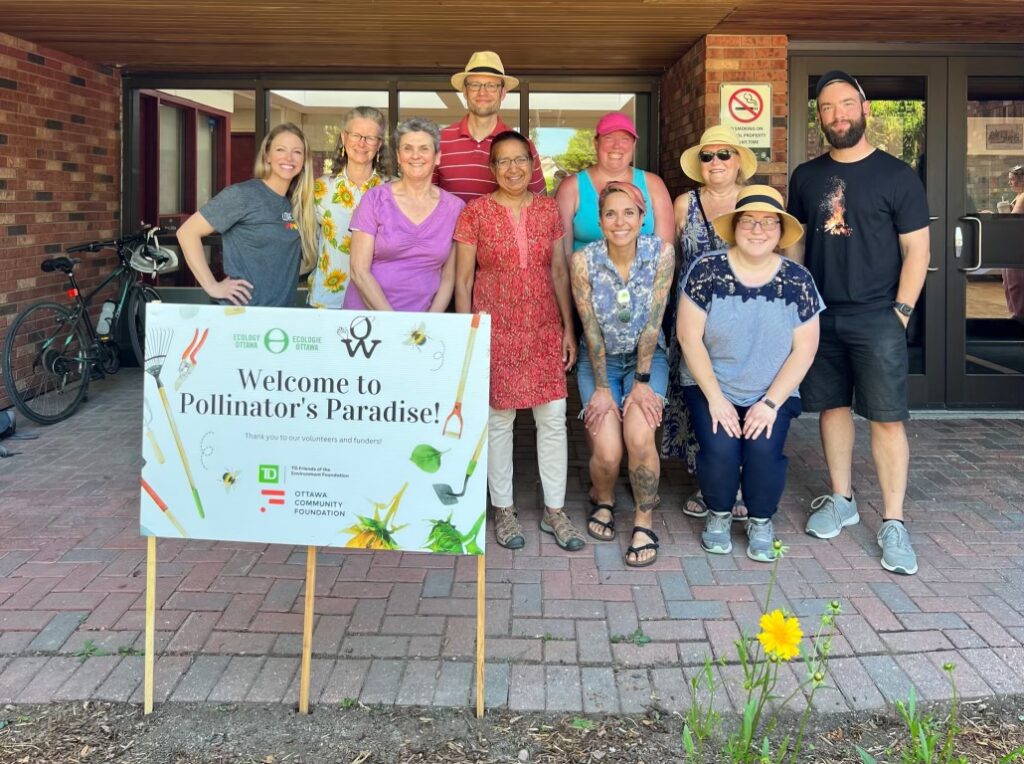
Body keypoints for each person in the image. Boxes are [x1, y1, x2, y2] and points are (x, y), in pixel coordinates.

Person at [787, 70, 931, 575]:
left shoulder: (897, 176)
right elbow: (798, 246)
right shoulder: (805, 177)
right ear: (820, 116)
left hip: (878, 318)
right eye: (827, 108)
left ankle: (893, 520)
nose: (837, 115)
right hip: (822, 317)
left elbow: (917, 250)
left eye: (846, 104)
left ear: (864, 107)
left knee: (887, 418)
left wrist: (900, 314)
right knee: (830, 409)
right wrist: (798, 307)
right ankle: (842, 498)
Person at [678, 186, 822, 562]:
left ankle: (760, 519)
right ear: (735, 226)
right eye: (749, 221)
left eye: (768, 222)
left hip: (772, 391)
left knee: (763, 450)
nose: (758, 230)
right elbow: (688, 337)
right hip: (711, 384)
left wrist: (770, 403)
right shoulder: (706, 269)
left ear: (779, 231)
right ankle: (719, 514)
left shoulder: (797, 280)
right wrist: (716, 399)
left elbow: (805, 348)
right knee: (721, 448)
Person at [454, 130, 580, 551]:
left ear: (533, 163)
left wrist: (568, 327)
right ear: (492, 169)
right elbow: (464, 278)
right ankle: (503, 509)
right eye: (503, 161)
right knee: (499, 422)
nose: (513, 168)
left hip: (543, 326)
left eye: (521, 159)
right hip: (496, 327)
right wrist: (466, 335)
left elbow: (560, 271)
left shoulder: (548, 211)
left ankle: (555, 510)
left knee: (552, 419)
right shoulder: (475, 212)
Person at [570, 182, 674, 567]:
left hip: (647, 359)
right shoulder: (583, 261)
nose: (620, 221)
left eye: (629, 212)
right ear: (599, 221)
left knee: (640, 436)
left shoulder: (661, 253)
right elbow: (591, 328)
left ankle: (644, 521)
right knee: (609, 452)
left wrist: (642, 383)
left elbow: (653, 322)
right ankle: (606, 498)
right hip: (600, 361)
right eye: (611, 213)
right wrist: (601, 388)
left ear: (642, 219)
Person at [660, 125, 757, 522]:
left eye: (723, 154)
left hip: (746, 323)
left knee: (742, 399)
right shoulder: (685, 203)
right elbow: (674, 261)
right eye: (707, 156)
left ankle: (743, 482)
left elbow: (786, 260)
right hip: (693, 322)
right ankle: (711, 482)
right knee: (699, 399)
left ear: (738, 162)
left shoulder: (758, 202)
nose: (715, 163)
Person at [178, 122, 317, 307]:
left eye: (297, 152)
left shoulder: (296, 204)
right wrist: (212, 286)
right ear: (267, 156)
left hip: (281, 318)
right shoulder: (243, 195)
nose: (289, 157)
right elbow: (187, 232)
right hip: (242, 316)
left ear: (304, 159)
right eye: (280, 149)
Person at [343, 118, 464, 312]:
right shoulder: (374, 199)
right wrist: (395, 324)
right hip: (366, 325)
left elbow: (448, 278)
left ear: (438, 156)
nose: (415, 155)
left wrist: (429, 324)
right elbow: (359, 271)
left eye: (424, 148)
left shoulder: (455, 208)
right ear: (399, 156)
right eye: (408, 148)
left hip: (419, 328)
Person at [555, 112, 674, 257]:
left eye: (625, 139)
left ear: (634, 144)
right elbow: (561, 254)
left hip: (645, 278)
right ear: (596, 143)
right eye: (609, 138)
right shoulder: (571, 187)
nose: (617, 146)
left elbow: (665, 252)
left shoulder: (654, 184)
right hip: (584, 277)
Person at [308, 107, 391, 308]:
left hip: (378, 302)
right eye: (355, 135)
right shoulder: (320, 188)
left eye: (370, 137)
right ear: (344, 138)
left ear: (379, 144)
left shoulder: (393, 190)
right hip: (328, 300)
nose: (362, 143)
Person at [435, 51, 545, 203]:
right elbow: (426, 202)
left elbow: (539, 205)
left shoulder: (523, 146)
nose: (482, 92)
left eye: (491, 86)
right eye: (475, 85)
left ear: (503, 93)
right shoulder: (438, 141)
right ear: (465, 92)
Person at [1001, 164, 1024, 324]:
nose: (1010, 183)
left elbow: (1013, 220)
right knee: (1010, 280)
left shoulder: (1022, 197)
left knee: (1015, 281)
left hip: (1017, 245)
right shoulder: (1019, 196)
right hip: (1015, 243)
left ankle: (1018, 315)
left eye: (1013, 180)